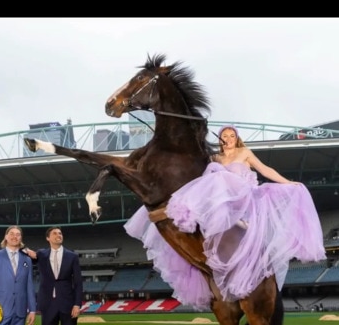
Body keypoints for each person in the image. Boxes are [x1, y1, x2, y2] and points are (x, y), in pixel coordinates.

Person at [125, 125, 326, 306]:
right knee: (211, 173)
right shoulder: (215, 159)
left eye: (232, 135)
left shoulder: (244, 152)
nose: (229, 138)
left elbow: (265, 169)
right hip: (223, 202)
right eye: (225, 135)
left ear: (236, 138)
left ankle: (238, 225)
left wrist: (287, 182)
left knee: (217, 175)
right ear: (220, 139)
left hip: (245, 198)